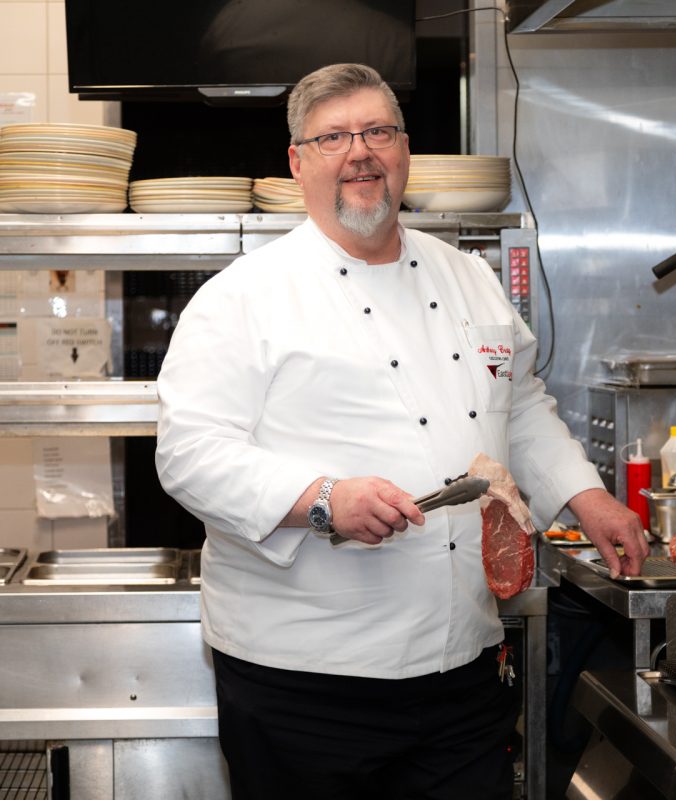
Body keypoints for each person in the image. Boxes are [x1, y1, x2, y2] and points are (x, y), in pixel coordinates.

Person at [154, 62, 648, 800]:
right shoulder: (243, 298)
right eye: (333, 138)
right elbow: (190, 454)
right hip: (304, 681)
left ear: (405, 150)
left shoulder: (468, 277)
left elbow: (520, 406)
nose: (360, 151)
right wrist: (321, 497)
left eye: (378, 131)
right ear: (297, 163)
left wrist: (587, 497)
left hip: (460, 668)